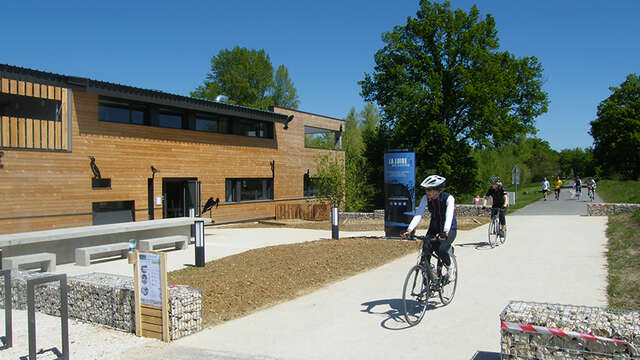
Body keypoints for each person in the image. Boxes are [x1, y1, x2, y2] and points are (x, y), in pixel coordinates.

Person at [401, 175, 457, 281]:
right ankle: (429, 282)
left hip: (449, 228)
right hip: (434, 227)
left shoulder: (448, 198)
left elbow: (449, 216)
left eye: (429, 189)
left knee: (441, 250)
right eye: (426, 189)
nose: (427, 192)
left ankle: (450, 269)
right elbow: (419, 214)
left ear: (437, 190)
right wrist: (409, 230)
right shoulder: (425, 198)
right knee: (425, 255)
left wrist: (445, 232)